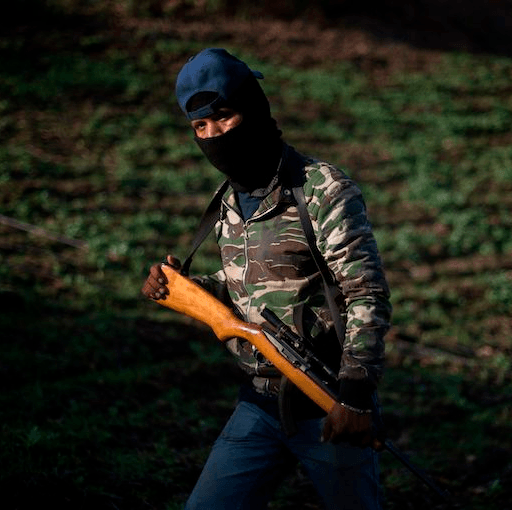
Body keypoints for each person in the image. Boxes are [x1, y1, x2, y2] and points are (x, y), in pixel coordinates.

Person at [142, 47, 392, 510]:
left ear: (254, 111)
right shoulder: (228, 202)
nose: (213, 135)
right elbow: (246, 284)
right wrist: (180, 288)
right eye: (200, 127)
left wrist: (355, 398)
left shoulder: (321, 189)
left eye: (223, 116)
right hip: (258, 406)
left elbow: (366, 294)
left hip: (327, 404)